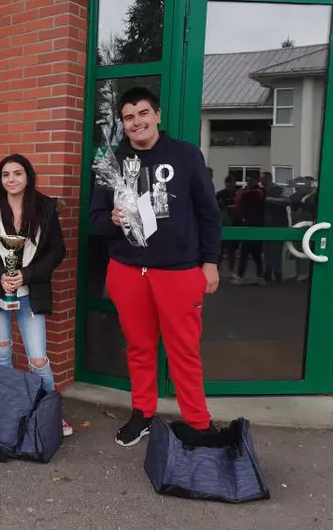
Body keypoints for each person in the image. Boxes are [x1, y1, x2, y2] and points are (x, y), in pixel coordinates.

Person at [88, 87, 221, 447]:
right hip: (127, 271)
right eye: (129, 117)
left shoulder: (186, 155)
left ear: (157, 116)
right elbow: (95, 220)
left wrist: (210, 262)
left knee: (184, 350)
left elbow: (209, 213)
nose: (137, 122)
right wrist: (112, 218)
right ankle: (142, 413)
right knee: (138, 347)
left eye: (143, 114)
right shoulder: (111, 163)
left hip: (178, 272)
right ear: (123, 124)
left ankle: (198, 422)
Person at [0, 154, 73, 437]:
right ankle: (4, 412)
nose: (11, 180)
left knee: (38, 358)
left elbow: (57, 251)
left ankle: (51, 416)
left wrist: (27, 275)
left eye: (17, 173)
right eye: (5, 175)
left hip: (31, 292)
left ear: (28, 176)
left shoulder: (45, 208)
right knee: (2, 353)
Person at [232, 173, 266, 285]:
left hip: (257, 225)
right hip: (247, 224)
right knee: (245, 252)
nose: (248, 182)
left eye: (251, 180)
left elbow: (252, 199)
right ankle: (242, 276)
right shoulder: (247, 192)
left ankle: (259, 276)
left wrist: (243, 194)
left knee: (255, 253)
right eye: (247, 180)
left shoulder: (259, 192)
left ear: (256, 181)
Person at [216, 175, 240, 277]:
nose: (230, 184)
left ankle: (231, 271)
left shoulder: (238, 194)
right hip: (222, 225)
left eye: (232, 182)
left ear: (235, 183)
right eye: (228, 182)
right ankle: (218, 271)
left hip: (234, 224)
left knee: (231, 251)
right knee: (219, 251)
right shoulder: (220, 194)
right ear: (225, 183)